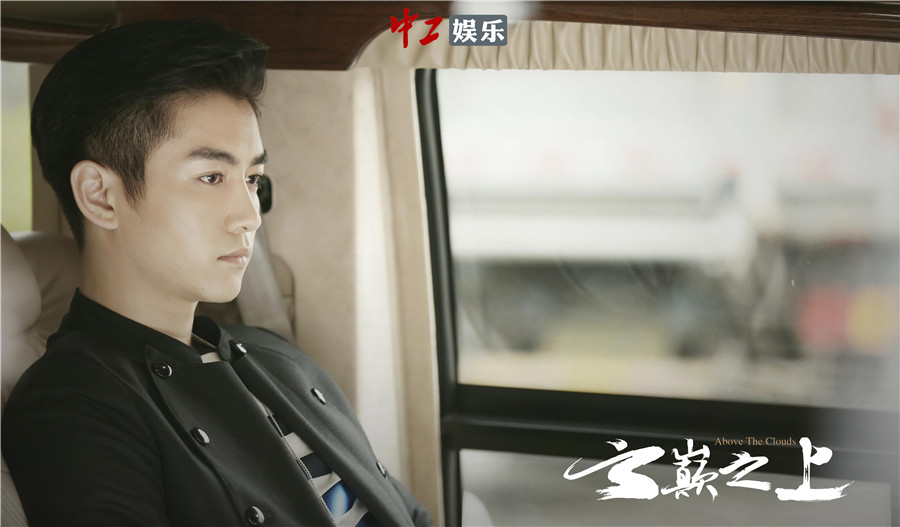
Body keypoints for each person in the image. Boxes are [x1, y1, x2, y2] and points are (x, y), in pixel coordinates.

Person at [2, 19, 432, 527]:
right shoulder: (73, 405)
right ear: (100, 195)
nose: (250, 215)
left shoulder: (280, 359)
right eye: (211, 177)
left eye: (252, 178)